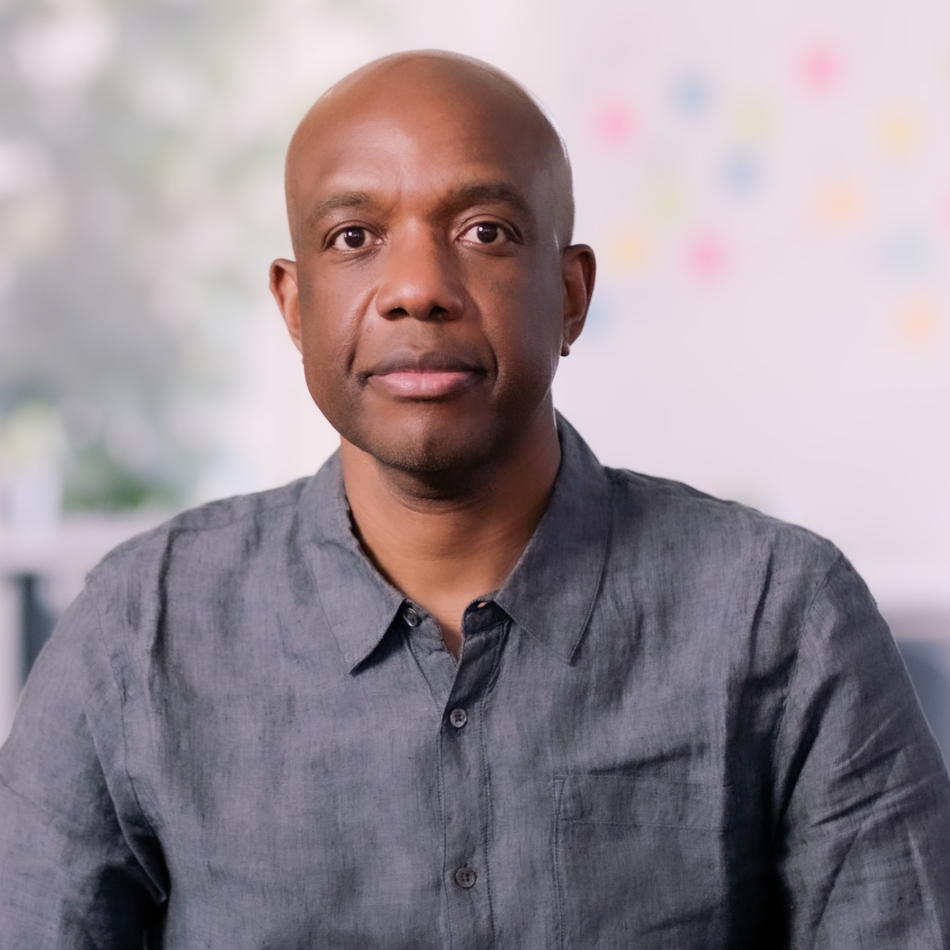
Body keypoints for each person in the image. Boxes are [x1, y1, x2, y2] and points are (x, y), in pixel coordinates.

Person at [1, 50, 948, 950]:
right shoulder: (138, 629)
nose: (417, 289)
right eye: (354, 238)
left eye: (484, 232)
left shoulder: (781, 613)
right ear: (294, 307)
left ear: (570, 295)